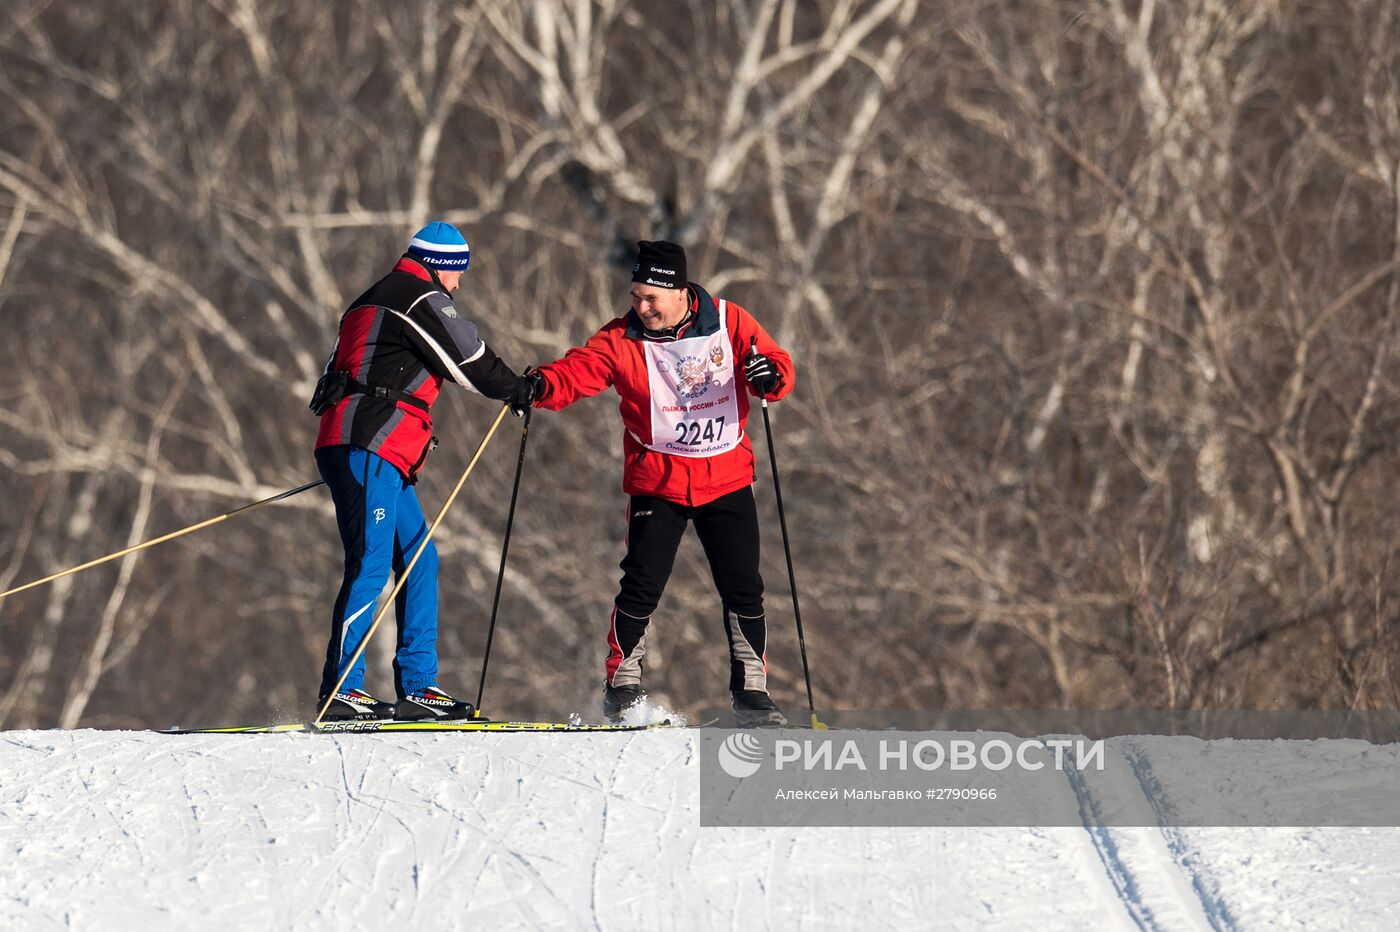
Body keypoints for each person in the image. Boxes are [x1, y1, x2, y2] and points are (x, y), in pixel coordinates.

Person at [515, 240, 795, 725]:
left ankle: (752, 690)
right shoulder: (623, 337)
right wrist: (538, 386)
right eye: (635, 296)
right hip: (659, 479)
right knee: (642, 584)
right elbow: (579, 370)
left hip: (724, 474)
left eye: (651, 299)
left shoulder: (728, 320)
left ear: (681, 291)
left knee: (744, 586)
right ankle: (622, 683)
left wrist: (770, 375)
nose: (641, 308)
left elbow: (773, 365)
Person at [311, 221, 536, 721]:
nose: (458, 286)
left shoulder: (369, 299)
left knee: (420, 558)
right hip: (370, 442)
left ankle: (418, 687)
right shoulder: (417, 296)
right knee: (371, 562)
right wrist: (517, 389)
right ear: (442, 267)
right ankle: (342, 690)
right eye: (458, 275)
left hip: (367, 446)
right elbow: (469, 356)